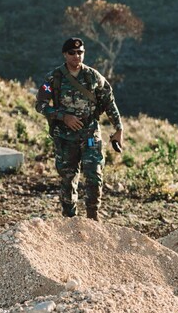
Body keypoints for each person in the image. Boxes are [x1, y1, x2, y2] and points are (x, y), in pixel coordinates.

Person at [35, 37, 123, 220]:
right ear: (65, 55)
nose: (77, 56)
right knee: (68, 179)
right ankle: (70, 220)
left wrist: (118, 128)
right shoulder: (54, 78)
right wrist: (63, 117)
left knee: (94, 176)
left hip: (90, 133)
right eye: (72, 53)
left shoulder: (93, 76)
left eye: (80, 52)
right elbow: (40, 105)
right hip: (65, 138)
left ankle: (93, 217)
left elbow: (109, 102)